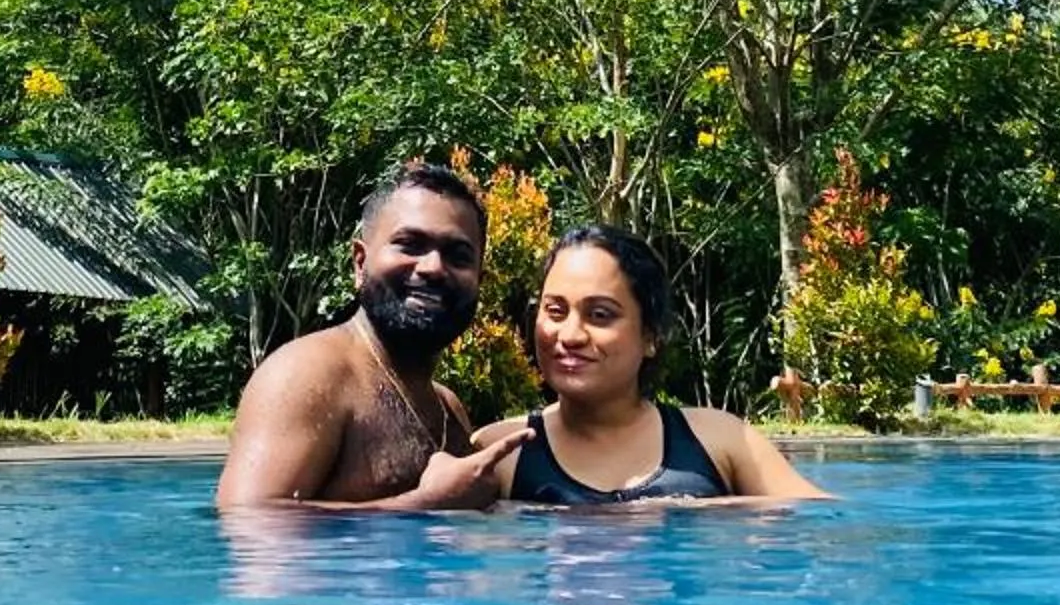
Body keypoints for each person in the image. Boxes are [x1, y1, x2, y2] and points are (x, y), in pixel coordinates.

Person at [214, 162, 534, 510]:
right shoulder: (306, 375)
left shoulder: (448, 408)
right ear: (359, 262)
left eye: (458, 256)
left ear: (479, 280)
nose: (433, 267)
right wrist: (427, 502)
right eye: (409, 244)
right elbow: (247, 518)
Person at [501, 224, 827, 503]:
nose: (571, 335)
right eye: (555, 311)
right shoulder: (501, 454)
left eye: (600, 315)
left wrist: (725, 511)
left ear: (651, 336)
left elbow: (821, 520)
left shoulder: (720, 441)